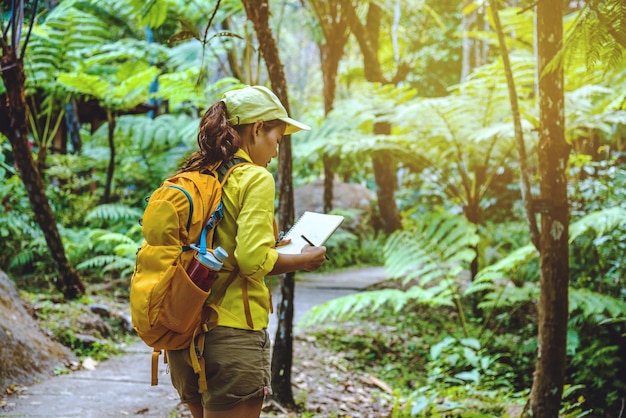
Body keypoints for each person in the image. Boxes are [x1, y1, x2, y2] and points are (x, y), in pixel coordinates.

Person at [166, 85, 327, 418]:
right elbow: (252, 261)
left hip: (184, 334)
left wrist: (272, 246)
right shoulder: (255, 178)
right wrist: (304, 259)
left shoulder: (197, 175)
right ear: (256, 129)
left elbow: (219, 244)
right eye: (277, 140)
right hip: (232, 337)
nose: (275, 151)